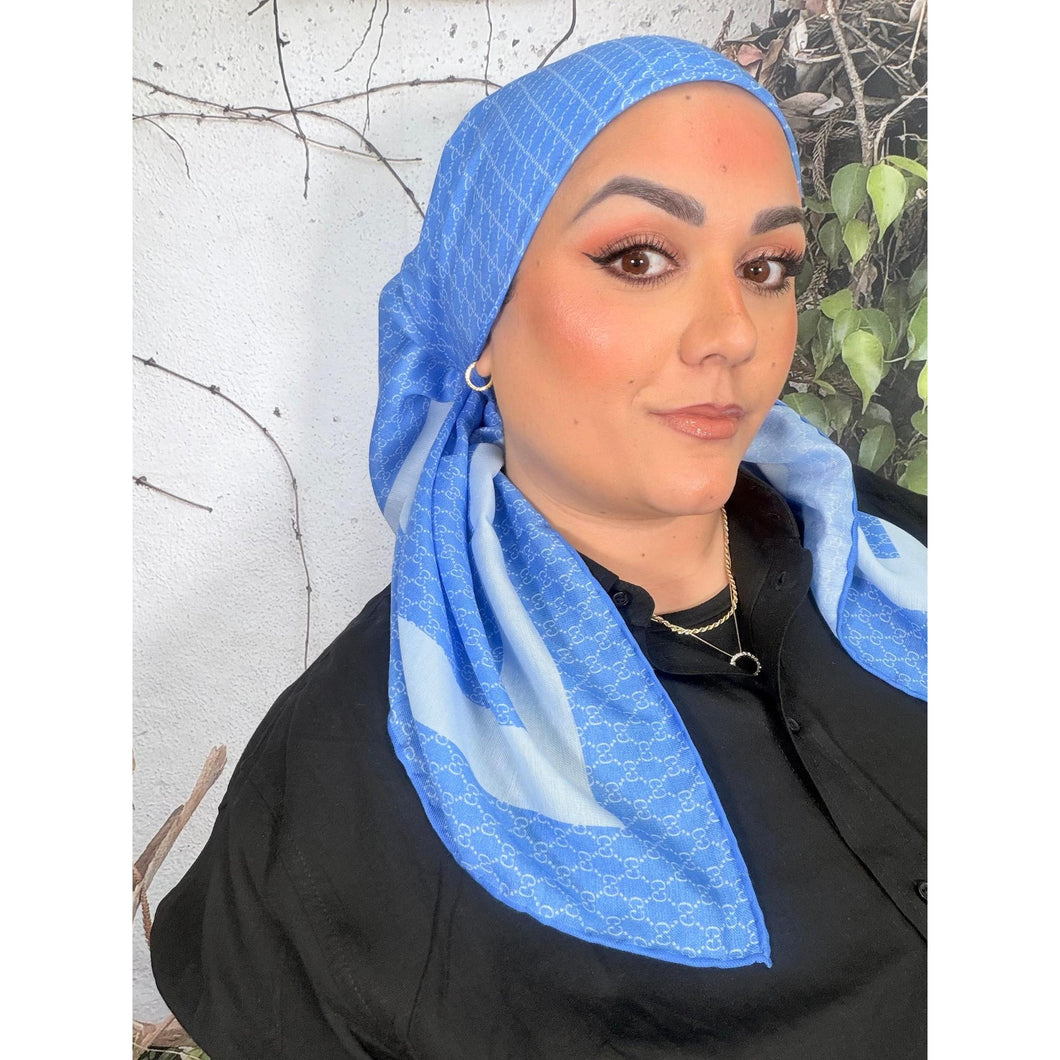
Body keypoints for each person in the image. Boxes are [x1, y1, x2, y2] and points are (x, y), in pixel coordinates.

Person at [150, 35, 926, 1059]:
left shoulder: (911, 555)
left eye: (767, 265)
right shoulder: (338, 785)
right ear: (482, 314)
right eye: (638, 258)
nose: (733, 333)